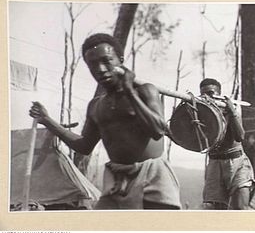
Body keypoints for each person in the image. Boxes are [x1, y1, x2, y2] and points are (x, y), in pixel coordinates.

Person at [29, 33, 181, 210]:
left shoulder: (145, 91)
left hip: (152, 178)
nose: (100, 69)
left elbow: (157, 130)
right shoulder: (96, 106)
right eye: (93, 65)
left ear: (120, 61)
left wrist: (129, 91)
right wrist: (47, 121)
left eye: (107, 60)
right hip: (116, 180)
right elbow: (84, 146)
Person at [199, 78, 255, 210]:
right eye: (203, 94)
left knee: (241, 208)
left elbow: (240, 136)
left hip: (237, 162)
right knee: (217, 210)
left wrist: (232, 112)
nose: (207, 97)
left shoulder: (231, 109)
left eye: (210, 93)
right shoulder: (200, 112)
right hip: (215, 164)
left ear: (219, 94)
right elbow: (193, 141)